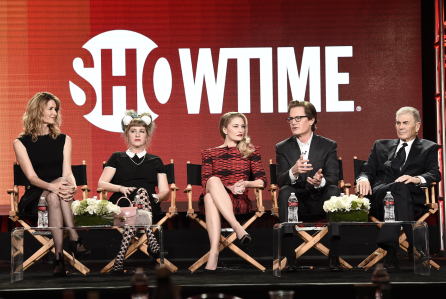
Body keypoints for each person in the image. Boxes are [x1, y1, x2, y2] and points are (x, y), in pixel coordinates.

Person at [13, 92, 90, 277]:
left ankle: (58, 260)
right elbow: (31, 178)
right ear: (38, 111)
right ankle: (74, 238)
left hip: (59, 195)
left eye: (56, 109)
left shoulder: (65, 140)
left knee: (56, 196)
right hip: (35, 197)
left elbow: (67, 173)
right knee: (56, 190)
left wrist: (72, 186)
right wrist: (54, 186)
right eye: (50, 109)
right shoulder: (20, 143)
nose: (55, 113)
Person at [356, 107, 441, 271]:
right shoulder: (381, 145)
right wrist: (363, 178)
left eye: (406, 123)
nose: (401, 127)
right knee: (399, 187)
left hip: (409, 200)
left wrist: (416, 179)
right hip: (381, 196)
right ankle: (414, 246)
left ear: (417, 126)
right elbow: (367, 170)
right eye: (398, 123)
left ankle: (391, 252)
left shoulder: (428, 147)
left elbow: (434, 174)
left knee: (400, 189)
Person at [98, 110, 169, 275]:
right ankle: (152, 242)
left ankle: (119, 260)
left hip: (149, 205)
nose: (137, 135)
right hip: (123, 204)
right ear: (126, 135)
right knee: (136, 203)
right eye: (133, 131)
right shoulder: (117, 157)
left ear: (147, 136)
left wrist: (157, 197)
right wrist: (121, 188)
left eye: (142, 131)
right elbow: (101, 184)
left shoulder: (156, 160)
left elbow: (165, 191)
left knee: (143, 193)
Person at [275, 100, 342, 272]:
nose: (294, 122)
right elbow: (281, 180)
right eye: (290, 119)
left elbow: (334, 178)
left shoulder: (328, 145)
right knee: (284, 191)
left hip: (320, 201)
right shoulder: (282, 147)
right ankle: (290, 259)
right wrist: (294, 171)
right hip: (296, 204)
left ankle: (334, 258)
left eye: (298, 118)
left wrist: (322, 182)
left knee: (334, 190)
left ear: (312, 120)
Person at [200, 112, 267, 271]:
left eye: (243, 126)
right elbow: (206, 182)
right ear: (224, 129)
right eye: (235, 126)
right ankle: (237, 228)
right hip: (216, 198)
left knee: (210, 199)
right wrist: (228, 187)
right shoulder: (209, 153)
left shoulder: (251, 151)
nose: (240, 130)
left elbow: (262, 181)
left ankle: (214, 253)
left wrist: (246, 183)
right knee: (212, 185)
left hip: (239, 202)